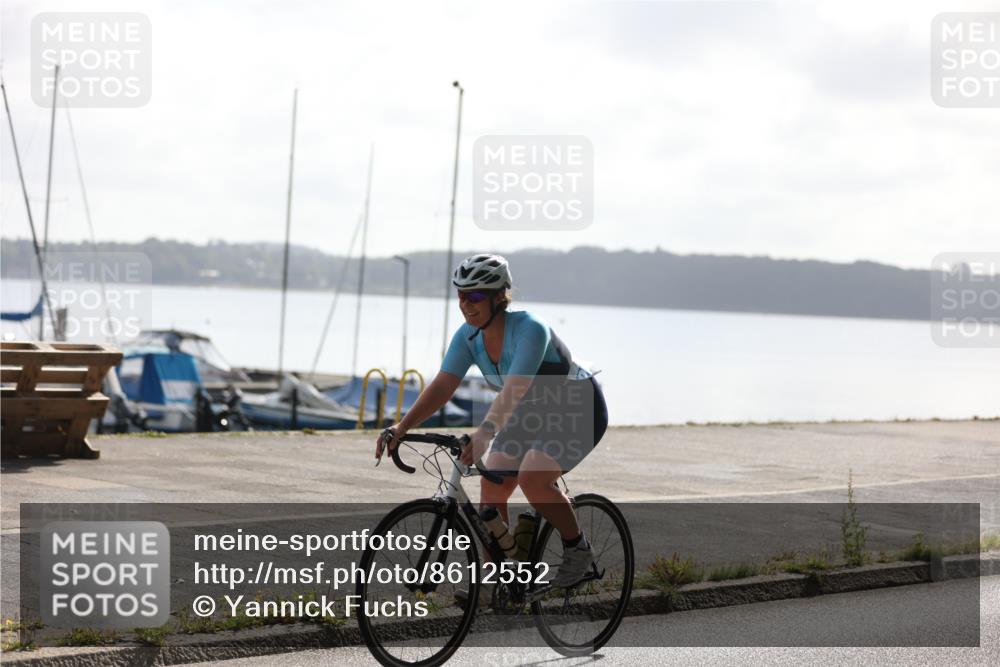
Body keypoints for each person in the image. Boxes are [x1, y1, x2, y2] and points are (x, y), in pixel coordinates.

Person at [376, 253, 609, 589]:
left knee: (532, 478)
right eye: (460, 295)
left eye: (474, 296)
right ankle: (500, 579)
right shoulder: (469, 337)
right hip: (532, 410)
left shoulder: (530, 329)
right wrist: (403, 426)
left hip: (577, 405)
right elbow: (444, 384)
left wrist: (485, 433)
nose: (465, 304)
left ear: (499, 297)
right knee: (492, 483)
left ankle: (578, 549)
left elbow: (514, 389)